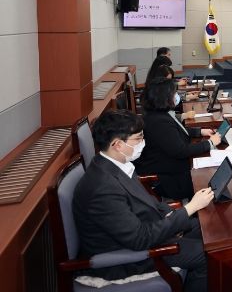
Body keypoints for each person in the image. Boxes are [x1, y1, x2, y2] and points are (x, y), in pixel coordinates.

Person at [73, 110, 213, 292]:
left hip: (147, 230)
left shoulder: (115, 164)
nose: (143, 142)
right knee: (207, 255)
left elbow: (148, 204)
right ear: (117, 144)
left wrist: (171, 214)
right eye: (138, 138)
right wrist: (189, 208)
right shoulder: (102, 188)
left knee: (207, 227)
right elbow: (139, 239)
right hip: (126, 257)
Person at [134, 78, 221, 201]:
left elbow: (175, 131)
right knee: (207, 177)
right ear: (164, 96)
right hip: (169, 178)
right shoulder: (159, 121)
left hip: (169, 166)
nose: (176, 96)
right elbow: (181, 151)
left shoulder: (157, 114)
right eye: (174, 93)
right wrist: (210, 143)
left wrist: (200, 131)